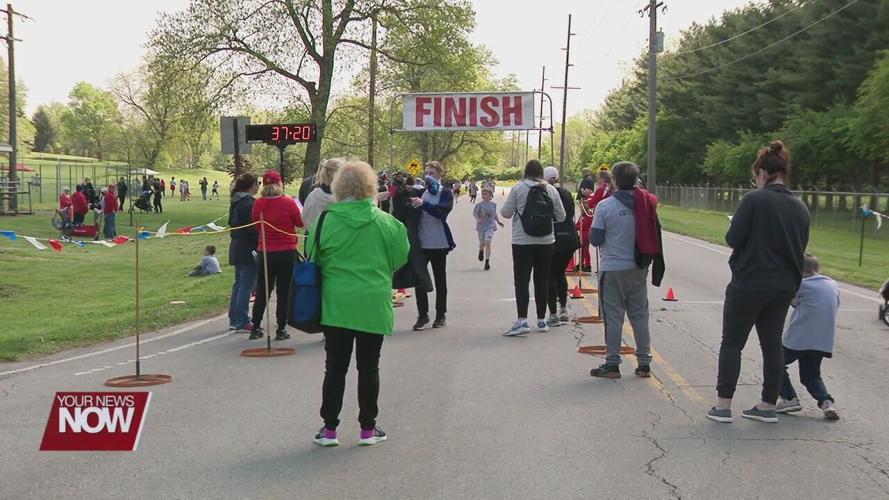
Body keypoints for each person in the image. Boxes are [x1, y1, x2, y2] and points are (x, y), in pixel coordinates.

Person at [307, 160, 409, 448]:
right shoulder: (388, 223)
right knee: (369, 367)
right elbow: (400, 257)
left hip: (336, 302)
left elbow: (311, 255)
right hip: (373, 301)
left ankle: (329, 429)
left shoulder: (324, 221)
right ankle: (368, 427)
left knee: (335, 367)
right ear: (370, 187)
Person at [707, 141, 810, 424]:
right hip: (783, 284)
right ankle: (767, 404)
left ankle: (723, 404)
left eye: (756, 175)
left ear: (763, 172)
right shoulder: (799, 206)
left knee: (732, 343)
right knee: (772, 344)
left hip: (750, 281)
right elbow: (801, 247)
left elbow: (733, 238)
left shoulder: (754, 200)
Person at [588, 162, 663, 379]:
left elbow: (595, 239)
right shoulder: (646, 203)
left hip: (613, 267)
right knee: (639, 315)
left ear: (614, 180)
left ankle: (612, 363)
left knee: (613, 316)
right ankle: (644, 363)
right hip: (638, 266)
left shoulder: (605, 206)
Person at [500, 159, 566, 336]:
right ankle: (542, 320)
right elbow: (561, 216)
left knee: (522, 281)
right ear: (541, 173)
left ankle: (522, 320)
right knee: (542, 280)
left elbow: (505, 213)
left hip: (522, 241)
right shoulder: (550, 189)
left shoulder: (518, 188)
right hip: (546, 241)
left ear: (525, 172)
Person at [775, 254, 841, 420]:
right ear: (817, 269)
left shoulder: (801, 284)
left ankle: (789, 398)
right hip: (822, 339)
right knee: (811, 375)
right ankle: (826, 402)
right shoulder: (832, 284)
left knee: (775, 363)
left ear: (800, 271)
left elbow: (793, 301)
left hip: (799, 337)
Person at [250, 170, 304, 341]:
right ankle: (281, 328)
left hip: (266, 250)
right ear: (279, 184)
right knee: (284, 290)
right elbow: (299, 222)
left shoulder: (259, 203)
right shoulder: (287, 202)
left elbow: (256, 225)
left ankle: (256, 325)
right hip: (286, 250)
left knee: (263, 289)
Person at [409, 161, 455, 331]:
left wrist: (424, 205)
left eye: (432, 173)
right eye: (426, 172)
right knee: (420, 279)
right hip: (422, 244)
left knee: (440, 279)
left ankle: (440, 315)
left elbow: (442, 212)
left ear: (440, 174)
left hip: (439, 243)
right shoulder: (420, 193)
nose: (429, 176)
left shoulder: (446, 193)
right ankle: (423, 315)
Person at [544, 166, 580, 327]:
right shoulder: (566, 193)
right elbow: (571, 214)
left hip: (554, 237)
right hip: (570, 237)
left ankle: (553, 313)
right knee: (560, 273)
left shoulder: (547, 193)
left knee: (550, 274)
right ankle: (563, 308)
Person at [227, 173, 259, 332]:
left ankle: (234, 317)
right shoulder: (247, 203)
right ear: (252, 185)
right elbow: (252, 227)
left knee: (239, 284)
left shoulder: (236, 201)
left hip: (237, 246)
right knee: (246, 285)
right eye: (257, 183)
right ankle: (241, 319)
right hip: (247, 247)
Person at [578, 170, 613, 272]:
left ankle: (604, 266)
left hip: (602, 217)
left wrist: (588, 196)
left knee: (602, 242)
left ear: (602, 179)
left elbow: (593, 202)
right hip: (610, 217)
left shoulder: (602, 189)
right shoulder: (611, 188)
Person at [303, 158, 345, 232]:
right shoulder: (345, 199)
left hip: (316, 237)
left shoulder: (313, 195)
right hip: (338, 239)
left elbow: (305, 218)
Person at [472, 187, 504, 271]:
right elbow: (475, 214)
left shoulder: (493, 204)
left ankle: (487, 262)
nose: (484, 195)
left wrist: (498, 221)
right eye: (483, 194)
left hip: (490, 226)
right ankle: (481, 251)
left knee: (488, 242)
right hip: (481, 227)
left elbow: (494, 214)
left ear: (490, 195)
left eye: (486, 194)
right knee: (482, 243)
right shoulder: (479, 205)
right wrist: (477, 219)